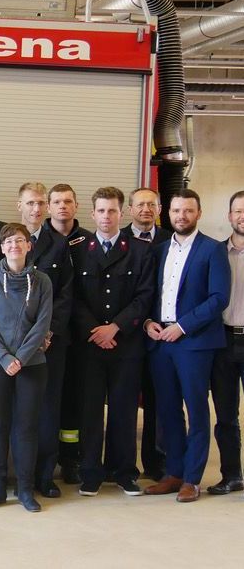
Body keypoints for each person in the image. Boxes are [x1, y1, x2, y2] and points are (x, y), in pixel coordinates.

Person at [144, 189, 231, 503]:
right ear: (168, 213)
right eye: (177, 211)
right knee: (167, 412)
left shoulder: (212, 250)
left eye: (188, 211)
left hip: (194, 343)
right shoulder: (159, 250)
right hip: (160, 343)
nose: (182, 216)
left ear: (199, 213)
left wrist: (182, 327)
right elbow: (152, 293)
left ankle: (192, 479)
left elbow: (218, 298)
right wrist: (148, 322)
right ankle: (174, 473)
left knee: (196, 411)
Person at [70, 187, 154, 498]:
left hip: (126, 345)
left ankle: (124, 473)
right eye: (101, 211)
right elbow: (73, 298)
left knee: (124, 410)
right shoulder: (78, 250)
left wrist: (115, 328)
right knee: (90, 411)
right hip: (90, 346)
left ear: (123, 213)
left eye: (112, 211)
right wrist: (96, 330)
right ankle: (90, 472)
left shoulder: (140, 251)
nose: (107, 216)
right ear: (92, 214)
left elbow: (144, 297)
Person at [0, 223, 53, 512]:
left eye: (20, 241)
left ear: (29, 246)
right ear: (2, 247)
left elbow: (42, 323)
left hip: (32, 365)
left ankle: (24, 489)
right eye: (8, 241)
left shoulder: (43, 281)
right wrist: (6, 358)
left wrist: (21, 356)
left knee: (26, 428)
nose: (14, 246)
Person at [15, 182, 72, 498]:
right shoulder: (8, 240)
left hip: (49, 344)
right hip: (13, 345)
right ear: (19, 205)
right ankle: (14, 472)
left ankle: (44, 475)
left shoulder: (58, 245)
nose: (36, 209)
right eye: (30, 203)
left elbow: (65, 295)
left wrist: (47, 333)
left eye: (40, 203)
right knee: (15, 410)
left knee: (49, 408)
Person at [124, 187, 168, 480]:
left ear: (159, 209)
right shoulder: (118, 239)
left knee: (157, 401)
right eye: (140, 205)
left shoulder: (170, 240)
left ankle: (155, 462)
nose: (145, 210)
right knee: (124, 402)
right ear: (130, 209)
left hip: (160, 334)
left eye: (151, 205)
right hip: (126, 334)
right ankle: (121, 464)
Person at [47, 183, 89, 484]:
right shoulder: (38, 240)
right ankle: (45, 460)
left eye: (68, 201)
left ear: (76, 206)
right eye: (57, 201)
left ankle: (71, 459)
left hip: (83, 335)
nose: (63, 206)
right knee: (48, 399)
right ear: (49, 207)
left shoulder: (89, 241)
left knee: (74, 399)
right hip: (50, 335)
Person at [209, 190, 244, 496]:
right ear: (230, 216)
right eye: (238, 211)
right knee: (225, 415)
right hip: (222, 342)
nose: (242, 216)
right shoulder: (215, 253)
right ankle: (232, 475)